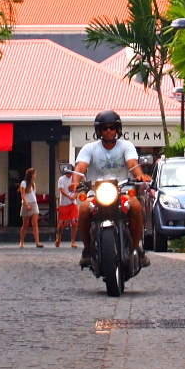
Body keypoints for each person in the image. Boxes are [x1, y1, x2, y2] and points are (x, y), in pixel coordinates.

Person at [71, 110, 151, 268]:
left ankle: (136, 248)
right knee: (84, 209)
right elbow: (81, 166)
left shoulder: (126, 146)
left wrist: (140, 175)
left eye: (112, 127)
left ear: (117, 129)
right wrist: (75, 181)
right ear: (98, 131)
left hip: (123, 190)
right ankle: (87, 250)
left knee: (135, 206)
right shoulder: (90, 148)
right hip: (96, 192)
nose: (108, 131)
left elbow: (132, 163)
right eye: (104, 128)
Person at [18, 167, 42, 248]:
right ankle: (21, 242)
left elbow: (33, 195)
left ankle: (37, 242)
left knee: (35, 223)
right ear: (31, 175)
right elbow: (23, 194)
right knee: (25, 224)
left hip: (34, 203)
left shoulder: (33, 184)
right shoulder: (23, 183)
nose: (35, 175)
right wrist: (26, 204)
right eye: (34, 174)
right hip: (26, 203)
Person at [55, 168, 79, 248]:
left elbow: (77, 190)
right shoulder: (61, 179)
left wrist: (74, 196)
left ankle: (73, 241)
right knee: (62, 224)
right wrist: (69, 196)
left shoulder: (74, 179)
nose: (69, 174)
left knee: (74, 223)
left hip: (73, 204)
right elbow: (61, 190)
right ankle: (58, 238)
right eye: (68, 172)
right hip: (64, 204)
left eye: (70, 172)